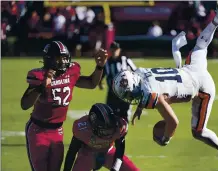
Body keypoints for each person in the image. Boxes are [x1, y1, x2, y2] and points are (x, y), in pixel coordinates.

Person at [112, 2, 218, 171]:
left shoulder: (149, 95)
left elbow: (173, 121)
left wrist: (166, 138)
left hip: (201, 87)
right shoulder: (139, 72)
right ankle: (216, 22)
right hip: (191, 68)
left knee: (198, 131)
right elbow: (150, 86)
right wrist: (141, 105)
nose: (129, 96)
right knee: (200, 45)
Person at [21, 41, 108, 171]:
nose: (63, 62)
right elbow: (25, 104)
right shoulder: (39, 76)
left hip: (57, 131)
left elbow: (91, 83)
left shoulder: (70, 72)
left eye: (65, 58)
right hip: (38, 130)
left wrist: (100, 67)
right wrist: (42, 87)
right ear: (49, 59)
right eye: (59, 58)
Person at [63, 103, 139, 171]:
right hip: (87, 154)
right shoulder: (82, 129)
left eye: (111, 129)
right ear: (93, 127)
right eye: (105, 131)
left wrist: (115, 169)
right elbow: (72, 152)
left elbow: (120, 152)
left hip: (109, 152)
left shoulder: (119, 126)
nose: (109, 133)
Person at [99, 41, 137, 122]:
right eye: (112, 50)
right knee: (111, 114)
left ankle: (123, 132)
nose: (114, 52)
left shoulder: (125, 60)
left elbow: (136, 71)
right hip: (112, 93)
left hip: (125, 92)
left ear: (119, 50)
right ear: (110, 50)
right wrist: (100, 83)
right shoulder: (107, 62)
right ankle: (113, 132)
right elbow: (102, 74)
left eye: (115, 50)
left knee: (124, 115)